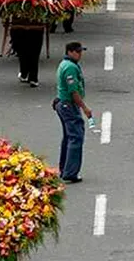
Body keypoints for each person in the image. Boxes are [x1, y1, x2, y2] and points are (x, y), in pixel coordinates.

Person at [54, 42, 91, 183]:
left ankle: (64, 169)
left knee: (68, 137)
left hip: (63, 104)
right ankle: (70, 172)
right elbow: (73, 91)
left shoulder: (65, 64)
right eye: (77, 52)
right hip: (69, 105)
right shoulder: (70, 67)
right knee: (76, 137)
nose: (80, 54)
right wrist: (84, 108)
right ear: (69, 52)